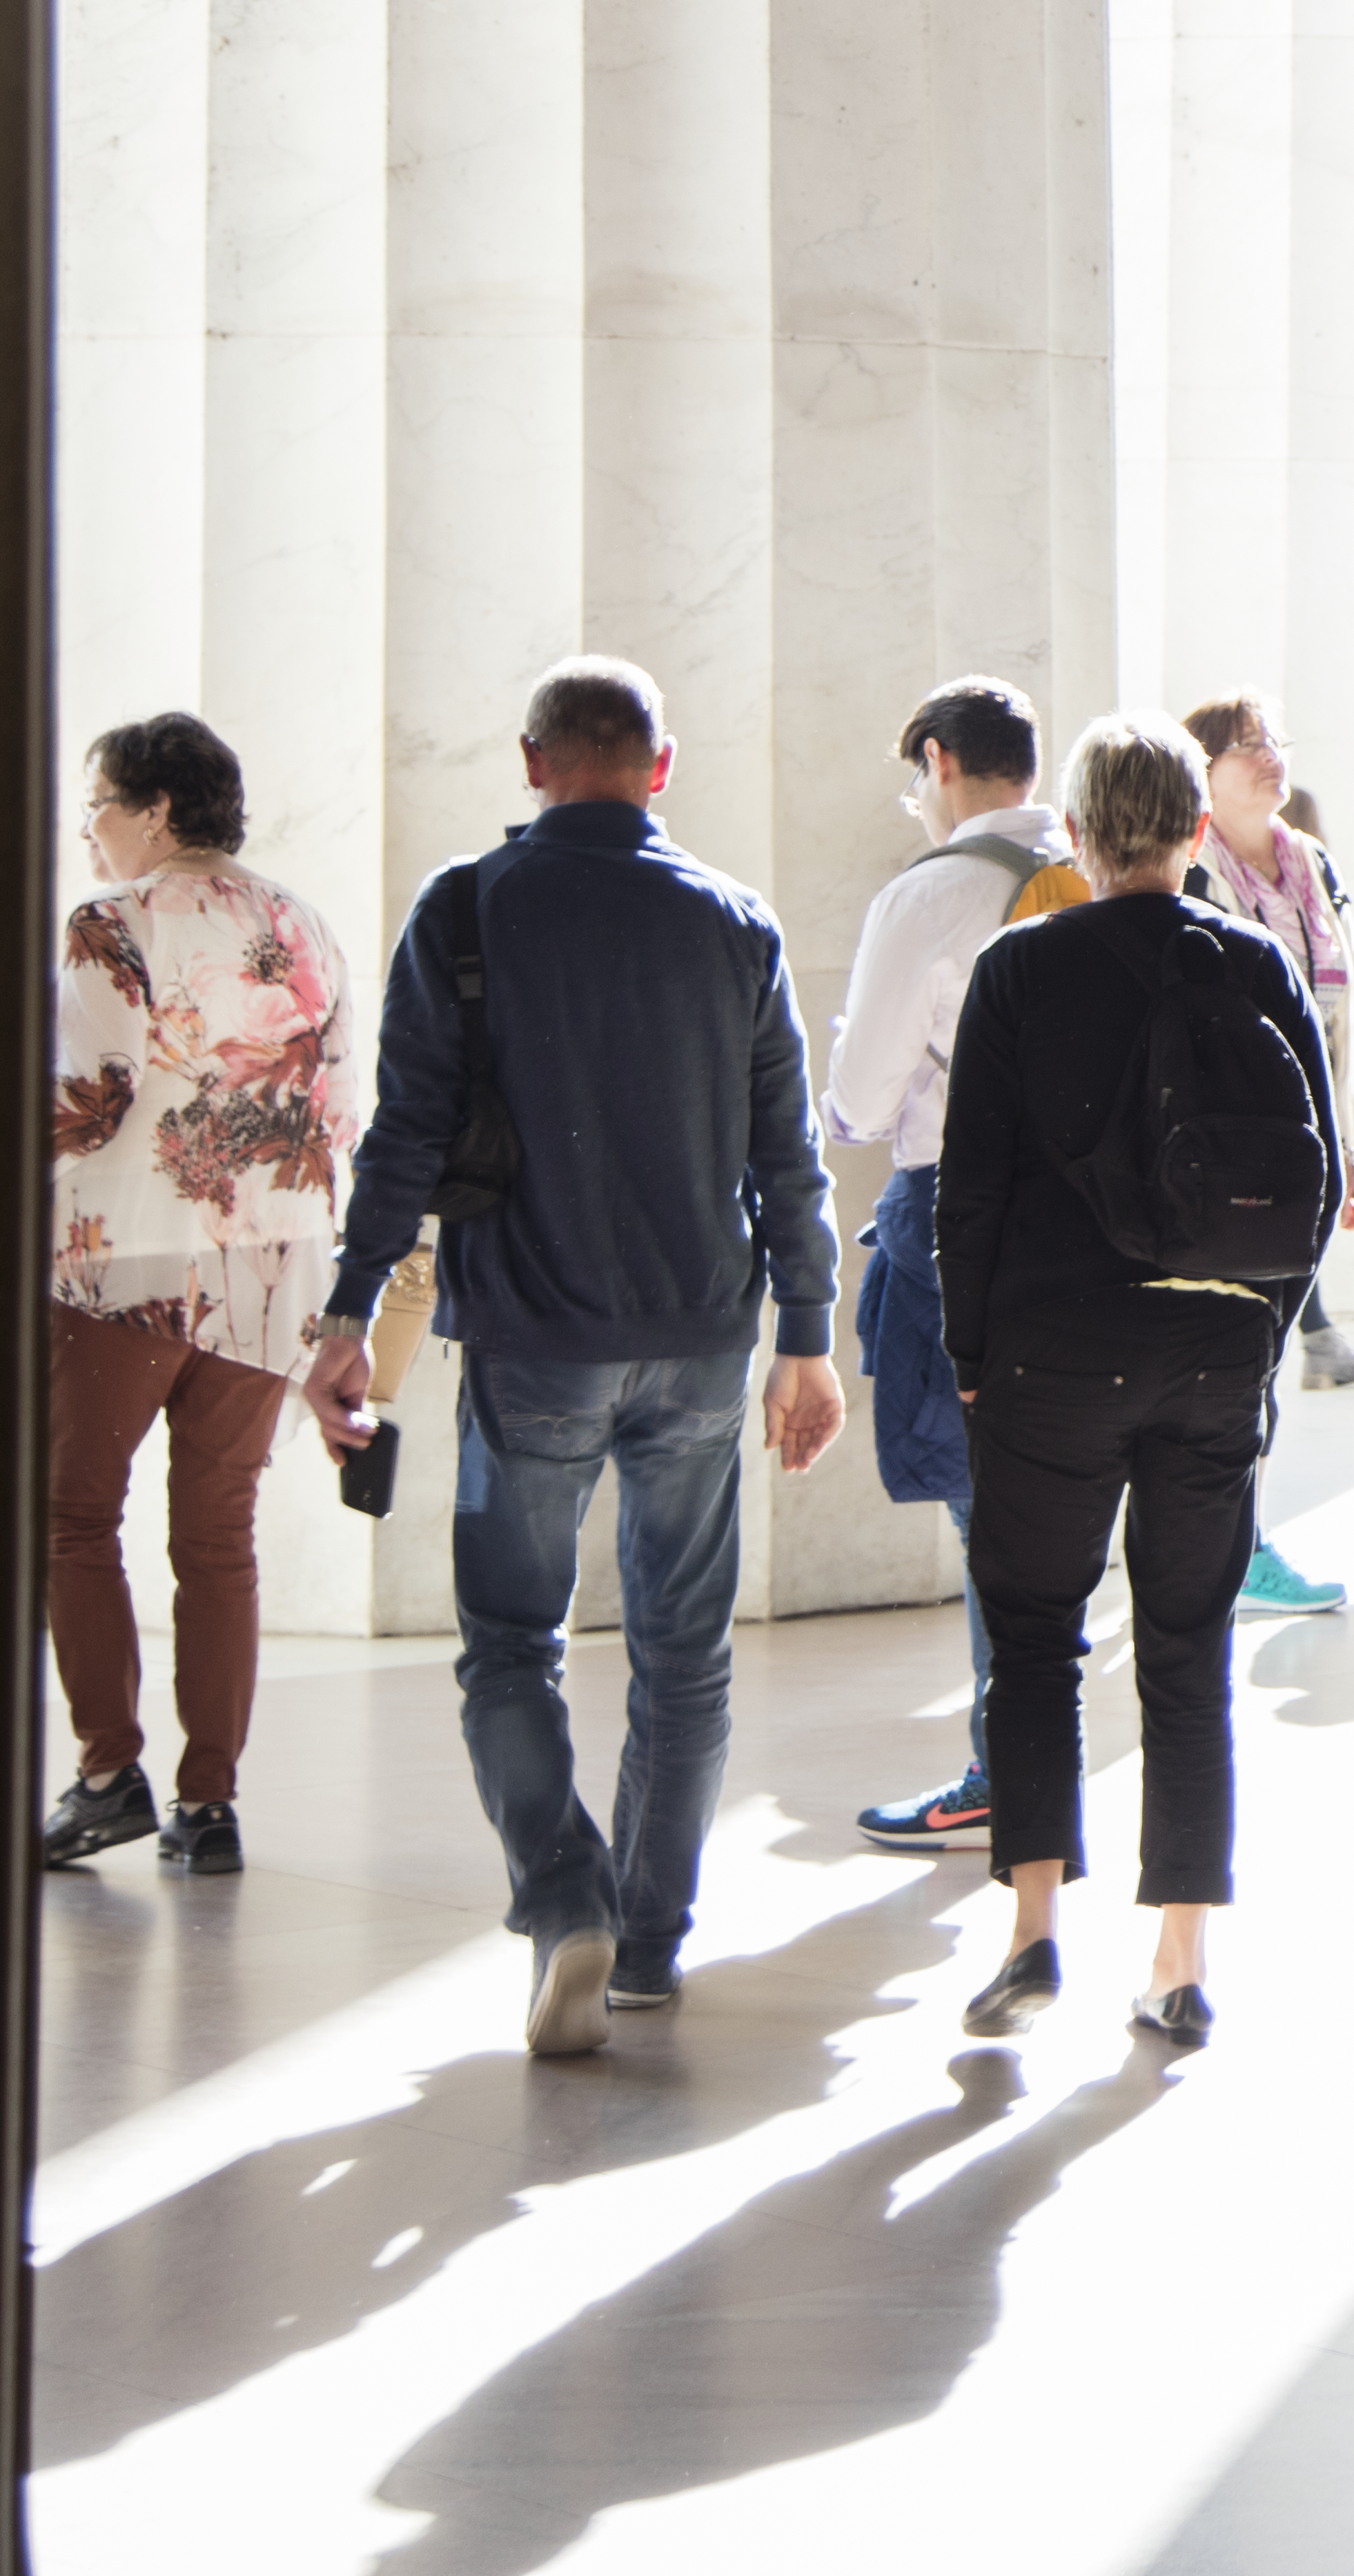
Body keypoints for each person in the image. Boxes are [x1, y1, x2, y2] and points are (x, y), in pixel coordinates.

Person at [303, 658, 846, 2058]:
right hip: (700, 1344)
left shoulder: (467, 907)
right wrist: (807, 1337)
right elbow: (788, 1158)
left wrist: (351, 1313)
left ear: (535, 762)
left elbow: (406, 1134)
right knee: (686, 1655)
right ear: (661, 768)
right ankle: (651, 1944)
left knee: (509, 1645)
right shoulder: (737, 921)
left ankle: (567, 1903)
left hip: (532, 1348)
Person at [936, 716, 1330, 2049]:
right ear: (1184, 828)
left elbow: (971, 1196)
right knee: (1187, 1646)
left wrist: (971, 1365)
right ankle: (1178, 1958)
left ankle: (1034, 1929)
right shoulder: (1257, 962)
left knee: (1037, 1639)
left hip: (1050, 1356)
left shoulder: (1018, 969)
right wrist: (1260, 1339)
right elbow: (1311, 1177)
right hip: (1212, 1347)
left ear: (1085, 833)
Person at [39, 711, 371, 1880]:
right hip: (275, 1263)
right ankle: (209, 1801)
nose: (88, 829)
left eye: (100, 803)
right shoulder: (303, 922)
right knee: (217, 1533)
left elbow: (90, 1094)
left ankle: (104, 1774)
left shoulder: (108, 925)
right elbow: (333, 1107)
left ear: (156, 809)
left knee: (74, 1514)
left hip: (125, 1257)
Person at [825, 679, 1099, 1852]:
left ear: (940, 762)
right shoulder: (1097, 872)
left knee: (987, 1512)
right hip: (1090, 1222)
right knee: (1047, 1506)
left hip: (960, 1213)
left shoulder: (932, 892)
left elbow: (861, 1098)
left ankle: (1008, 1769)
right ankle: (1040, 1755)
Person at [1183, 695, 1354, 1470]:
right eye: (1244, 745)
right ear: (1202, 768)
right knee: (1236, 1350)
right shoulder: (1192, 872)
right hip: (1232, 1143)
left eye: (1274, 739)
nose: (1269, 754)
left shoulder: (1311, 861)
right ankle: (1235, 1542)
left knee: (1263, 1344)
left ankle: (1238, 1537)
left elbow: (1349, 1010)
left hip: (1311, 1139)